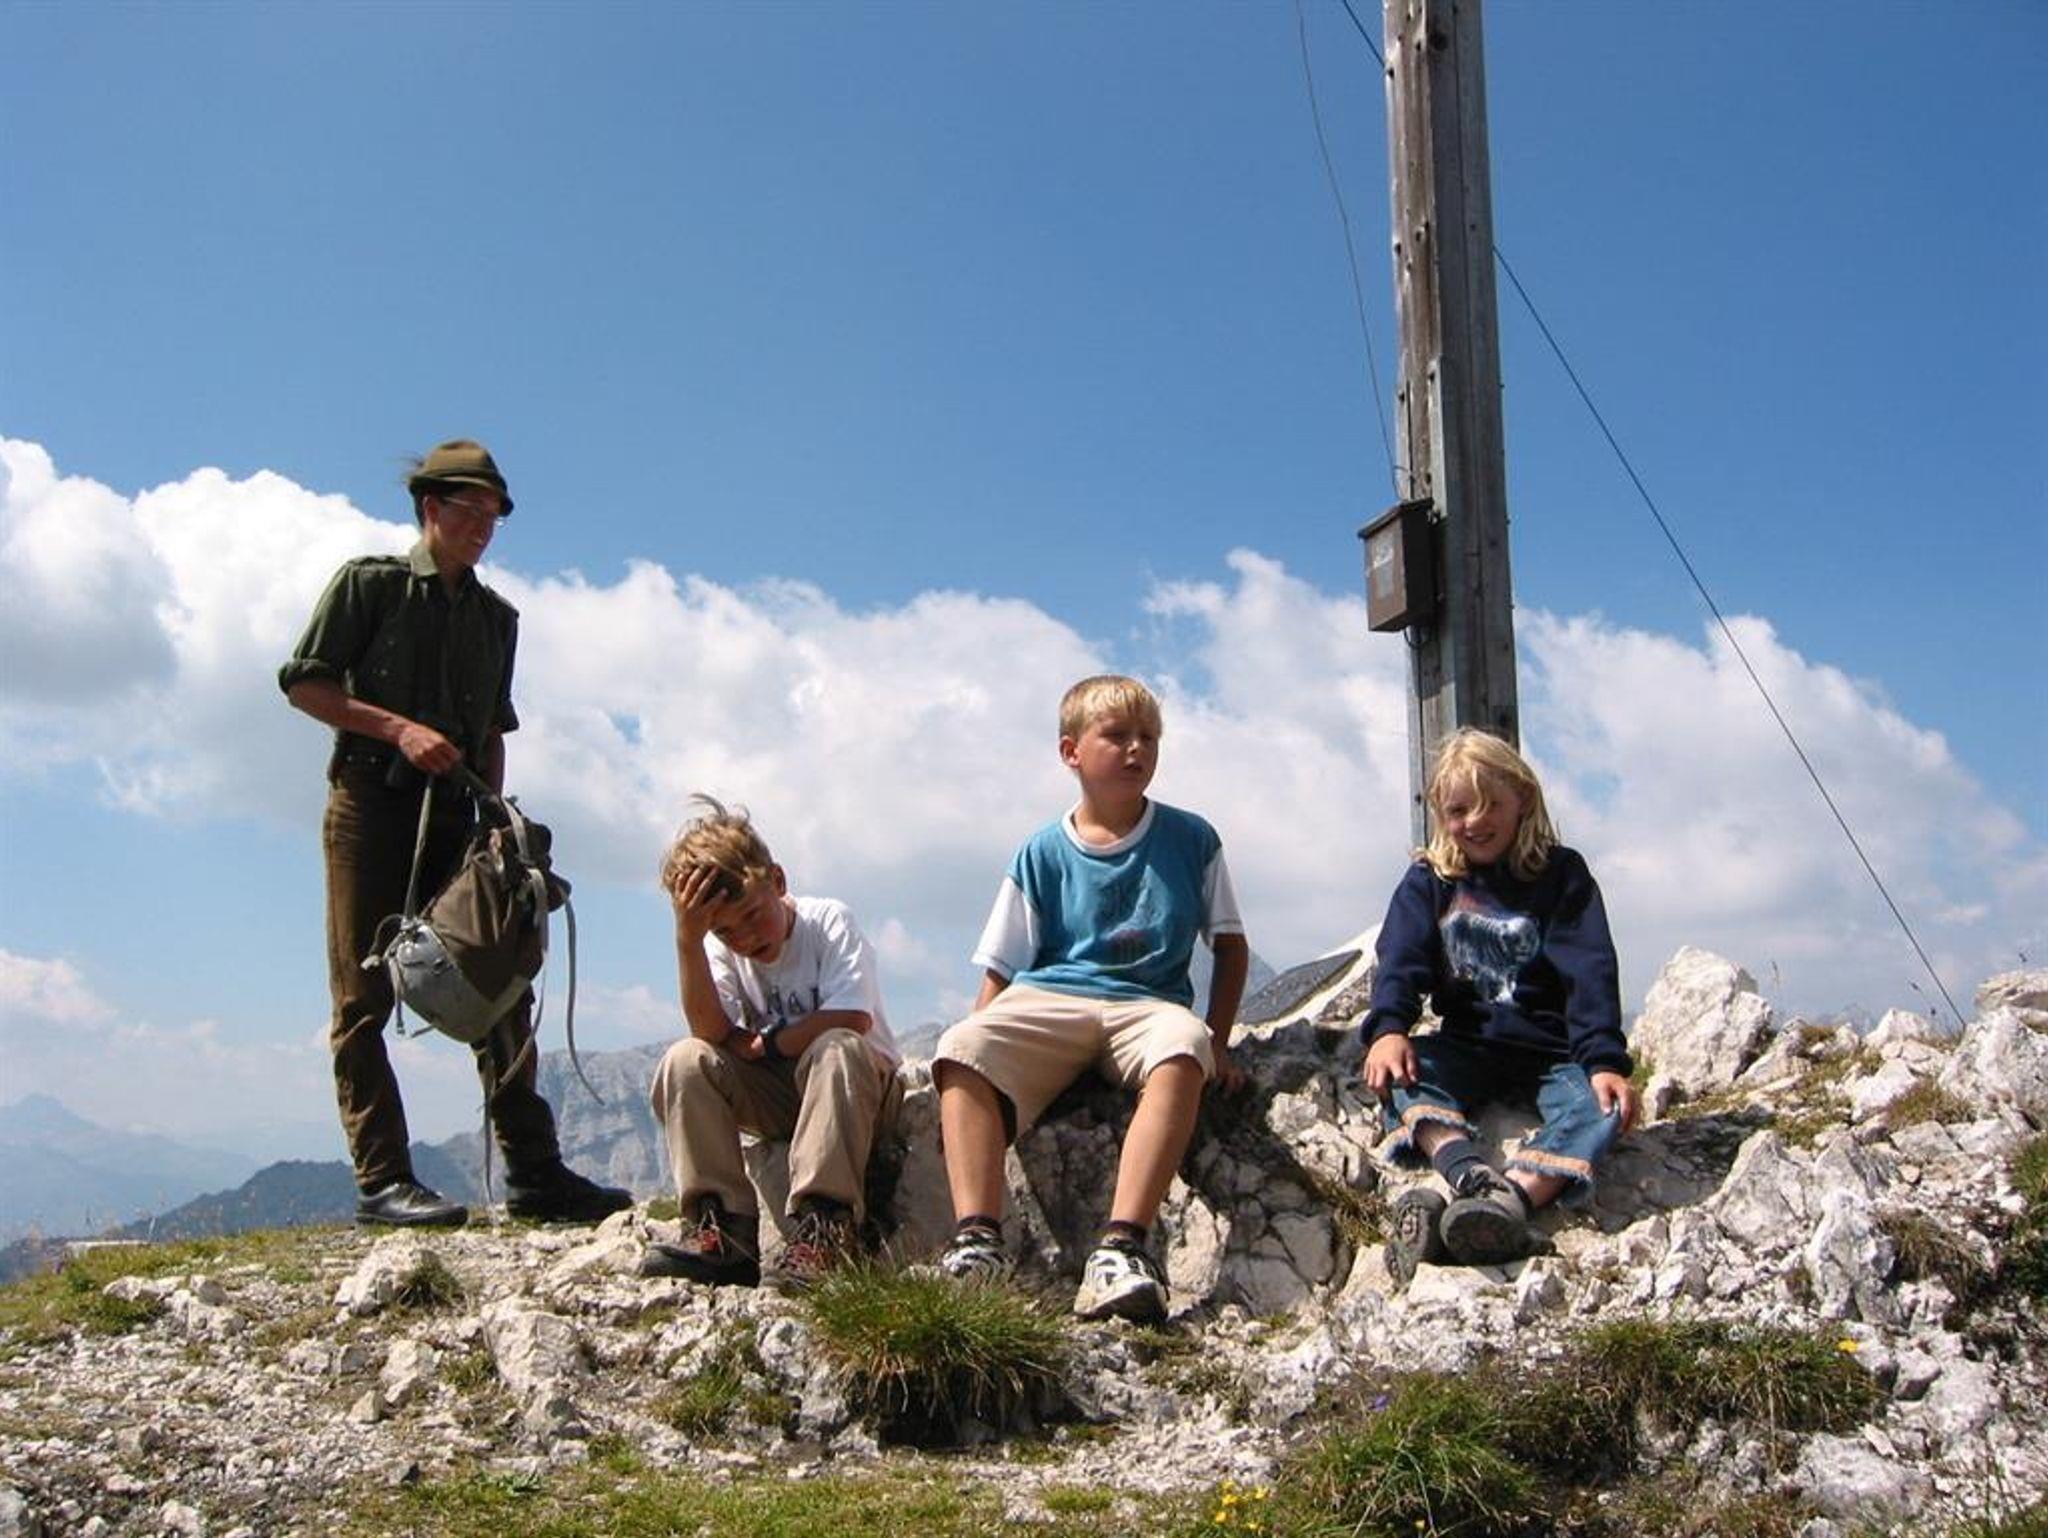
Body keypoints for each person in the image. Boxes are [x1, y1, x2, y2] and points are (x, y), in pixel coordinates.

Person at [279, 439, 630, 1229]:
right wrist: (399, 728)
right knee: (363, 993)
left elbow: (494, 730)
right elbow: (305, 684)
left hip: (459, 819)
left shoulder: (497, 620)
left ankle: (534, 1173)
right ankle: (383, 1181)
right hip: (369, 806)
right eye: (470, 511)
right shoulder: (369, 585)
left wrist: (495, 822)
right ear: (430, 509)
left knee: (500, 982)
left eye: (493, 515)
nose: (482, 528)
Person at [929, 675, 1250, 1323]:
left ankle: (1121, 1248)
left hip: (1148, 1004)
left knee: (1183, 1046)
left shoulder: (1193, 840)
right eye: (1118, 736)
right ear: (1071, 752)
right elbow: (1000, 969)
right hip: (1051, 998)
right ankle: (979, 1242)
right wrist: (979, 1051)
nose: (1137, 749)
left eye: (1149, 737)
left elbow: (1230, 946)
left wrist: (1216, 1039)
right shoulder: (1040, 852)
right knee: (960, 1047)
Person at [1360, 728, 1637, 1281]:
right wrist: (1389, 1027)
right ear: (1440, 814)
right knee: (1400, 1073)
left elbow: (1590, 971)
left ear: (1523, 800)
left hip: (1554, 1053)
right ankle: (1472, 1178)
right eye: (1458, 810)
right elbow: (1401, 957)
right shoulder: (1430, 881)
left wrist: (1604, 1062)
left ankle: (1511, 1198)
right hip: (1468, 1045)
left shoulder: (1561, 875)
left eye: (1490, 804)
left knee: (1604, 1108)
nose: (1475, 821)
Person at [642, 797, 902, 1289]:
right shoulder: (719, 948)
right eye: (725, 930)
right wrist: (689, 942)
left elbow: (852, 1015)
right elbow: (710, 1032)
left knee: (837, 1047)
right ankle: (722, 1231)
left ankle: (826, 1225)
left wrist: (767, 1044)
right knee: (685, 1060)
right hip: (782, 1095)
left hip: (858, 1092)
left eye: (752, 915)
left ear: (777, 881)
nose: (744, 938)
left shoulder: (827, 921)